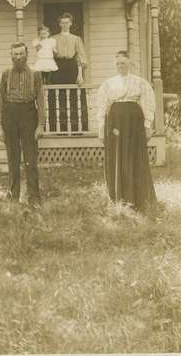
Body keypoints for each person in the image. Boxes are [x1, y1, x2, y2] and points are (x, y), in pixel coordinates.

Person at [97, 50, 156, 213]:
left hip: (133, 123)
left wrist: (147, 125)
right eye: (117, 64)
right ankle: (118, 198)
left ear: (130, 63)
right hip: (114, 122)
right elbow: (102, 105)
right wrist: (101, 127)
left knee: (133, 155)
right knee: (116, 156)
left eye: (123, 63)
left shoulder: (140, 82)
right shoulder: (108, 83)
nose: (120, 66)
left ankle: (137, 198)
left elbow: (147, 104)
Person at [0, 42, 45, 205]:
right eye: (15, 54)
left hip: (29, 114)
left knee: (30, 158)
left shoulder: (35, 75)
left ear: (27, 55)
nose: (18, 57)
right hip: (9, 114)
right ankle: (13, 195)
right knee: (13, 157)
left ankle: (34, 197)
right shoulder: (6, 74)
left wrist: (40, 125)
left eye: (21, 54)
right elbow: (0, 100)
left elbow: (41, 100)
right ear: (11, 56)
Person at [51, 12, 88, 131]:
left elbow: (81, 58)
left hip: (72, 68)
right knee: (59, 96)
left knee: (73, 96)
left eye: (67, 22)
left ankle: (76, 127)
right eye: (62, 23)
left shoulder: (76, 39)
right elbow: (47, 56)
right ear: (59, 24)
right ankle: (59, 127)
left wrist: (80, 75)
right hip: (58, 67)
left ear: (71, 23)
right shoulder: (53, 39)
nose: (65, 25)